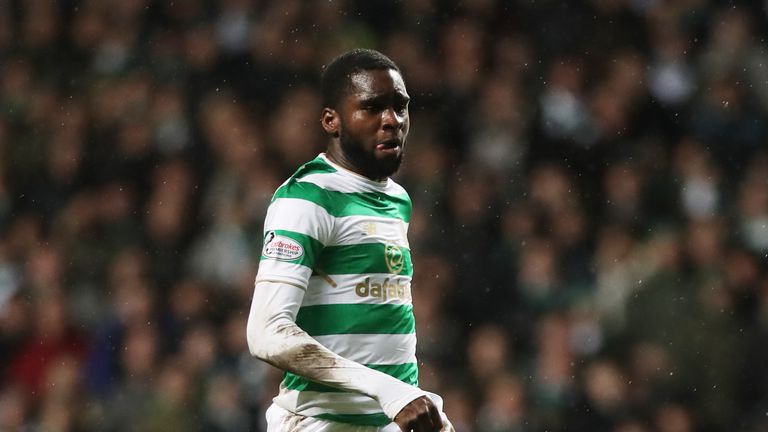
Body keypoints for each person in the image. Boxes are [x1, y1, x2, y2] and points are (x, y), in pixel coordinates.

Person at [246, 49, 454, 432]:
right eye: (373, 108)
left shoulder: (397, 199)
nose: (392, 121)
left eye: (400, 107)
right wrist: (388, 391)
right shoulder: (308, 198)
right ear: (331, 121)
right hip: (319, 424)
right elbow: (266, 333)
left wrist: (409, 396)